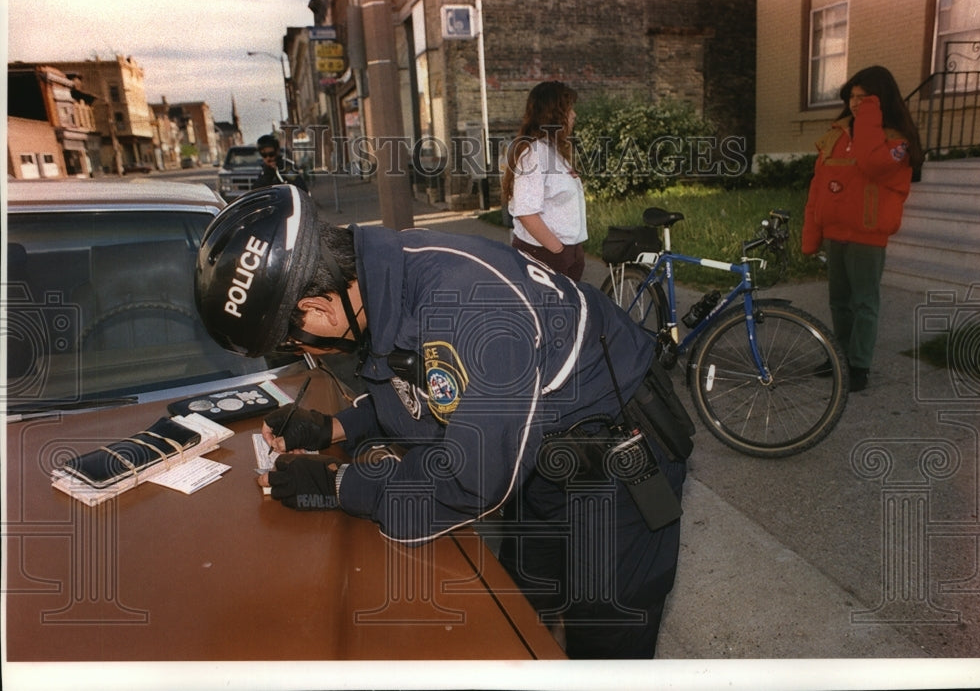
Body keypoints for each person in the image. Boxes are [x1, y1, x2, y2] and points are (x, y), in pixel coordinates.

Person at [193, 184, 695, 659]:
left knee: (605, 639)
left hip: (618, 463)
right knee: (522, 609)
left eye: (293, 343)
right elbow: (433, 392)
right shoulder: (384, 280)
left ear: (318, 308)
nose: (304, 353)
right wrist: (333, 428)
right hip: (542, 448)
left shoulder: (470, 306)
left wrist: (341, 485)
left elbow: (473, 478)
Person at [801, 65, 923, 392]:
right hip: (835, 235)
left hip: (868, 237)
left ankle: (859, 366)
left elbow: (873, 164)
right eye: (853, 97)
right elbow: (818, 187)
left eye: (865, 98)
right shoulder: (835, 137)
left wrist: (869, 119)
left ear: (881, 100)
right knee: (839, 302)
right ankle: (840, 357)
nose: (856, 103)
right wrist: (811, 233)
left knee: (864, 303)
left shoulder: (898, 142)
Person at [501, 81, 588, 281]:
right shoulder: (534, 154)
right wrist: (557, 250)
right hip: (547, 255)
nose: (573, 115)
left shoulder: (552, 151)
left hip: (565, 252)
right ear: (553, 114)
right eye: (568, 109)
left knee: (569, 312)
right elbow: (526, 213)